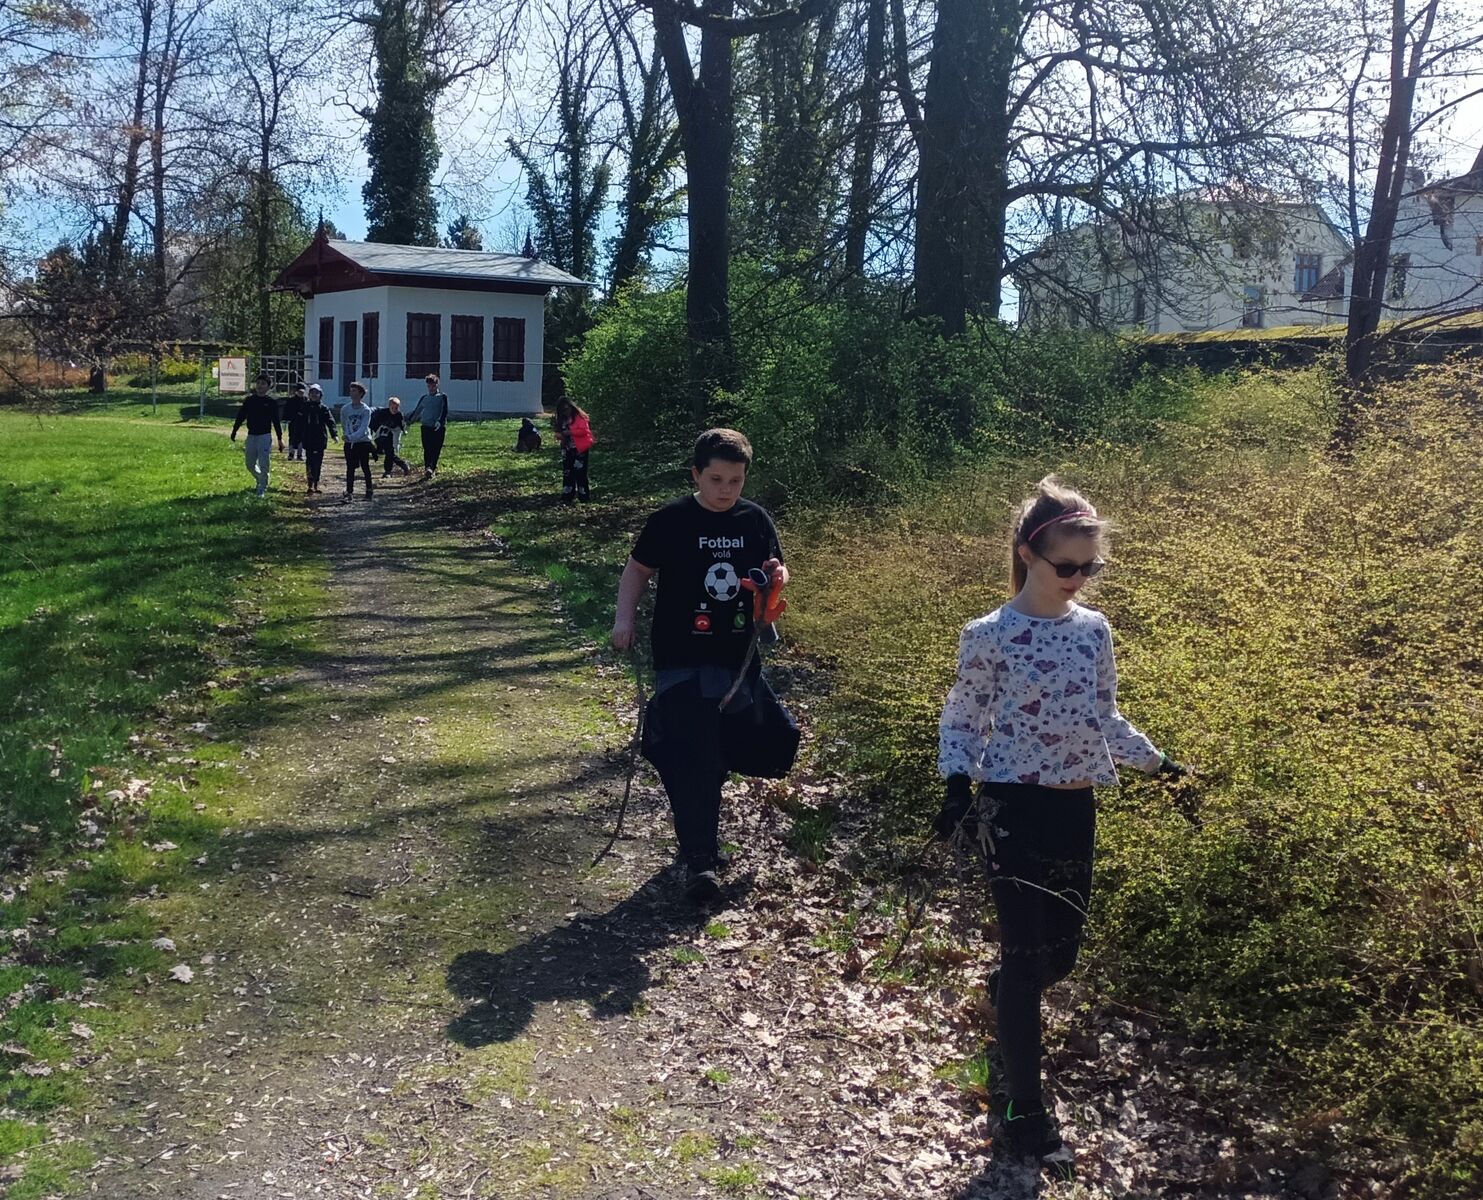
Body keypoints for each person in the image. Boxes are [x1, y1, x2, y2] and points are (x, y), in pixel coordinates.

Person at [935, 476, 1189, 1162]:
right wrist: (956, 785)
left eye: (1089, 567)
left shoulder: (1093, 632)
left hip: (1075, 806)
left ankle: (1005, 998)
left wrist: (1161, 766)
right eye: (1066, 566)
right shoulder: (989, 635)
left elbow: (1105, 717)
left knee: (1060, 956)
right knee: (1024, 958)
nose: (1077, 579)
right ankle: (1024, 1108)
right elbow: (963, 717)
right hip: (1010, 808)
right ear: (1028, 554)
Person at [611, 428, 796, 904]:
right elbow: (637, 570)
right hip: (681, 657)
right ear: (696, 474)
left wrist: (776, 579)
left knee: (770, 743)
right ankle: (701, 861)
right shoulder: (670, 520)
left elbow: (776, 568)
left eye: (735, 480)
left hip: (738, 661)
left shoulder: (755, 519)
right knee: (693, 754)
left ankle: (703, 808)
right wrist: (623, 620)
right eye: (716, 479)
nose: (726, 490)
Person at [229, 372, 283, 497]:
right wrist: (234, 430)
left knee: (264, 463)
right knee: (250, 464)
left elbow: (276, 422)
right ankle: (260, 478)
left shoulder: (271, 402)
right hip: (251, 436)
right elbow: (241, 416)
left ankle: (262, 488)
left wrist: (280, 439)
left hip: (264, 436)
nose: (259, 386)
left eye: (263, 384)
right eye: (258, 383)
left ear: (268, 386)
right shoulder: (250, 400)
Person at [406, 373, 449, 479]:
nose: (431, 388)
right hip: (426, 427)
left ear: (437, 385)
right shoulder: (424, 398)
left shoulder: (442, 397)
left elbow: (444, 410)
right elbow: (417, 411)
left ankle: (432, 468)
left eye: (433, 386)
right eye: (429, 386)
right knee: (427, 449)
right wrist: (409, 422)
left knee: (436, 449)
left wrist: (440, 421)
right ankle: (427, 468)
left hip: (438, 428)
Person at [553, 398, 594, 503]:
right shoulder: (562, 419)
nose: (565, 412)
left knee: (580, 472)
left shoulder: (579, 417)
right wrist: (559, 435)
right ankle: (567, 495)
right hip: (567, 448)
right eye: (563, 410)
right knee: (568, 472)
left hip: (580, 448)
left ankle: (583, 496)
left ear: (571, 407)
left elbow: (584, 431)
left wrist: (570, 432)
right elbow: (558, 431)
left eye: (567, 409)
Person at [340, 381, 376, 501]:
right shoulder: (345, 409)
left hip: (363, 442)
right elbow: (344, 424)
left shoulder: (365, 410)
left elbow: (363, 428)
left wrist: (352, 437)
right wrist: (347, 436)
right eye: (351, 390)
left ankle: (369, 490)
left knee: (365, 466)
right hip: (349, 443)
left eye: (354, 391)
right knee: (350, 468)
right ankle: (349, 492)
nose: (352, 393)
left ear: (360, 393)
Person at [301, 384, 339, 493]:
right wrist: (296, 439)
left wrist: (334, 434)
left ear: (320, 395)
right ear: (309, 395)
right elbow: (299, 423)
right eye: (312, 393)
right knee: (309, 461)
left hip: (320, 438)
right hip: (308, 438)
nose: (314, 395)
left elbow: (330, 422)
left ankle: (316, 484)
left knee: (318, 462)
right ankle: (310, 483)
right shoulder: (305, 407)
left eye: (316, 393)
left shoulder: (323, 408)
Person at [370, 396, 412, 477]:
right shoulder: (382, 412)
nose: (394, 410)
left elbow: (401, 427)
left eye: (396, 408)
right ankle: (402, 465)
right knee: (388, 451)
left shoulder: (399, 415)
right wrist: (377, 431)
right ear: (389, 406)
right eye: (392, 407)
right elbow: (374, 423)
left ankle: (389, 471)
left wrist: (403, 432)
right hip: (382, 432)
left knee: (389, 451)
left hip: (393, 433)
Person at [283, 382, 309, 461]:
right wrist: (285, 420)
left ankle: (299, 454)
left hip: (303, 422)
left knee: (302, 438)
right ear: (296, 391)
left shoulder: (306, 400)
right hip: (293, 422)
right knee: (292, 437)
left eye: (302, 392)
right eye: (299, 392)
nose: (301, 393)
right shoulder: (291, 400)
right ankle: (291, 453)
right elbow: (286, 411)